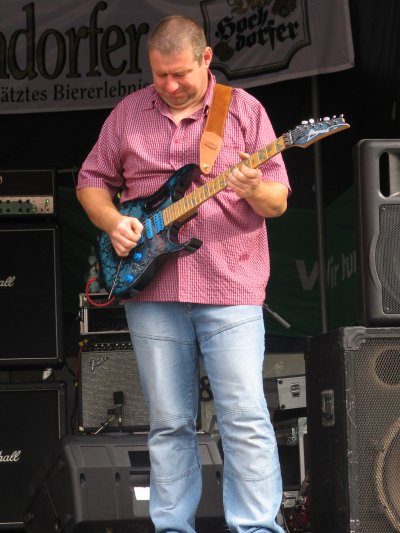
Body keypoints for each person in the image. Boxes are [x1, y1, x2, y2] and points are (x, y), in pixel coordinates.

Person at [76, 14, 290, 533]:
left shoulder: (244, 110)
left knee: (244, 416)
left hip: (230, 283)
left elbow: (277, 201)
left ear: (206, 59)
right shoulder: (128, 113)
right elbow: (90, 180)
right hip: (153, 289)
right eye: (160, 75)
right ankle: (172, 527)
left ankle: (256, 527)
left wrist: (250, 188)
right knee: (168, 422)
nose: (170, 86)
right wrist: (114, 222)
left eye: (180, 74)